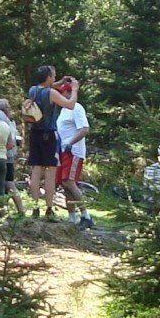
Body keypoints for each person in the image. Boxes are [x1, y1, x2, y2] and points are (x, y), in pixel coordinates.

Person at [22, 65, 74, 220]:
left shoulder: (33, 90)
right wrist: (75, 90)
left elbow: (48, 87)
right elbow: (69, 104)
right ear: (49, 77)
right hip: (49, 134)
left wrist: (59, 82)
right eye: (53, 76)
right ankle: (49, 209)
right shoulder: (51, 93)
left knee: (36, 171)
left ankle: (35, 207)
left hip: (35, 133)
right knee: (50, 172)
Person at [54, 78, 93, 228]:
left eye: (63, 92)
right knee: (64, 184)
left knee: (70, 182)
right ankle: (71, 217)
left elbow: (84, 128)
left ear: (69, 92)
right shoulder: (64, 109)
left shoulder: (76, 108)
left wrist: (70, 143)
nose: (61, 95)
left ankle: (86, 216)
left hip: (73, 151)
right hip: (63, 150)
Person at [0, 98, 20, 193]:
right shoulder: (5, 119)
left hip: (5, 154)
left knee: (7, 182)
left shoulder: (3, 119)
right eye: (8, 107)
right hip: (8, 155)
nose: (10, 109)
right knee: (8, 181)